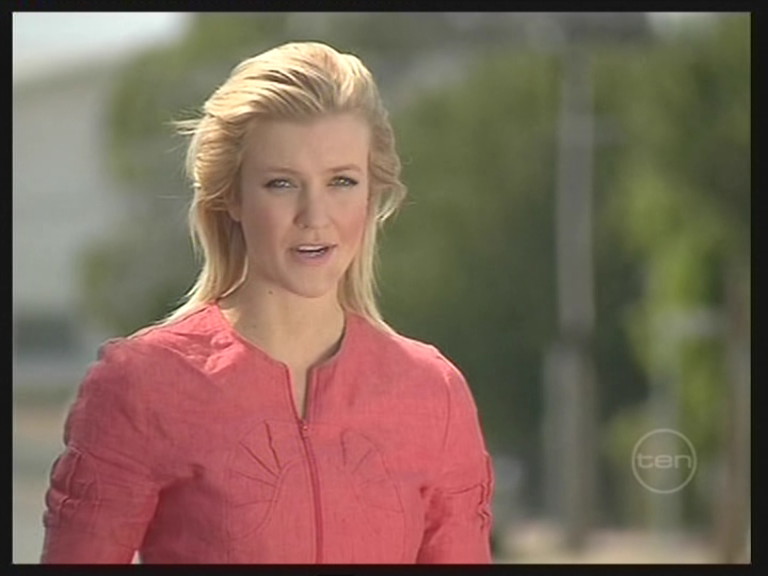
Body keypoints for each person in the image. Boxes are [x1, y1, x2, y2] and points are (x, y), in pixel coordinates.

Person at [40, 41, 494, 564]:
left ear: (372, 195)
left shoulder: (433, 393)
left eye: (342, 182)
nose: (314, 216)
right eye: (281, 184)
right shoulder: (142, 385)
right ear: (232, 197)